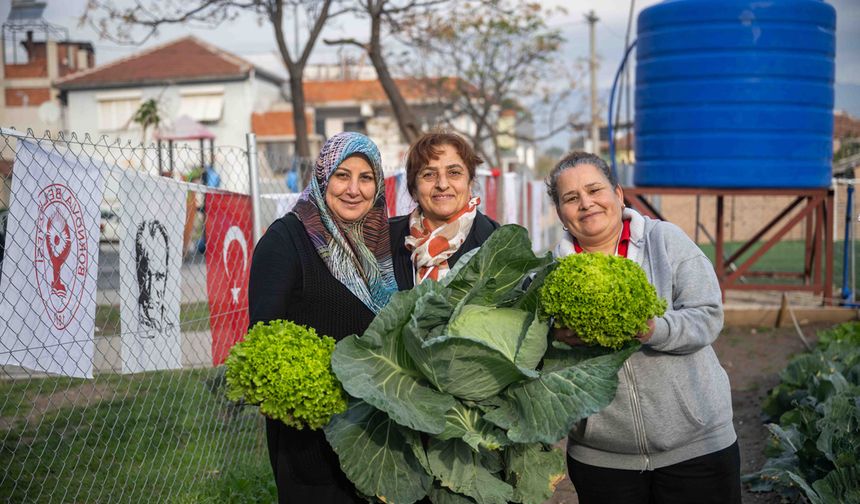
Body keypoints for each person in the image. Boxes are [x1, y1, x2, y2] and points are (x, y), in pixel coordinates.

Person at [545, 151, 740, 504]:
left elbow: (708, 315)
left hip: (697, 447)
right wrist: (554, 339)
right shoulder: (549, 274)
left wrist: (653, 329)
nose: (586, 204)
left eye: (595, 190)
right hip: (603, 457)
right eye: (571, 198)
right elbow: (533, 358)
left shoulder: (664, 241)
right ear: (560, 212)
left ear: (618, 195)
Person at [248, 132, 397, 503]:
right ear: (322, 177)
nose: (354, 189)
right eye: (342, 175)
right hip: (311, 447)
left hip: (378, 437)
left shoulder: (381, 244)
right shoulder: (286, 241)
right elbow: (264, 345)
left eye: (366, 178)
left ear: (378, 185)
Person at [390, 131, 498, 288]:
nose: (442, 184)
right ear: (414, 189)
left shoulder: (497, 242)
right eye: (429, 174)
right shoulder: (386, 240)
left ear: (470, 183)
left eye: (454, 173)